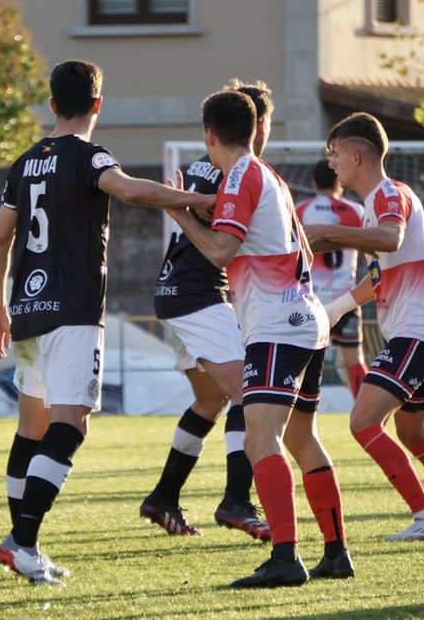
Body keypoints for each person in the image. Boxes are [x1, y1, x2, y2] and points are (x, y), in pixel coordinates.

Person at [0, 59, 214, 586]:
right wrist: (196, 198)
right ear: (97, 105)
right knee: (71, 423)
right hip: (73, 311)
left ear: (51, 104)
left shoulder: (24, 162)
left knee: (31, 429)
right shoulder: (90, 156)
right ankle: (22, 542)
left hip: (26, 309)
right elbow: (128, 189)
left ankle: (22, 541)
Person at [166, 89, 353, 587]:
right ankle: (335, 552)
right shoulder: (267, 176)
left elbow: (222, 251)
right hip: (304, 320)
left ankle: (286, 557)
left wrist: (180, 212)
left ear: (210, 136)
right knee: (300, 437)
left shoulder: (242, 175)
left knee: (259, 437)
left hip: (276, 326)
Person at [306, 112, 424, 542]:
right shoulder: (376, 203)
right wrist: (333, 310)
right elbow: (379, 278)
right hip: (420, 330)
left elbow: (391, 238)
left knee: (362, 423)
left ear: (357, 155)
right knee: (413, 432)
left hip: (419, 331)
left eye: (335, 155)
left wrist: (329, 233)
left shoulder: (388, 195)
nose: (332, 164)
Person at [140, 79, 274, 543]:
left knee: (211, 399)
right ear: (257, 126)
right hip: (198, 295)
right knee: (250, 394)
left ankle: (163, 497)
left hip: (174, 291)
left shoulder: (203, 166)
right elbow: (227, 246)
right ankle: (237, 500)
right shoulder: (238, 174)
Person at [296, 160, 367, 398]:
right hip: (346, 299)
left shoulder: (301, 210)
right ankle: (367, 412)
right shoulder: (357, 211)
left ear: (315, 183)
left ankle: (297, 414)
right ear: (339, 181)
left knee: (303, 362)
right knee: (354, 361)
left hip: (312, 301)